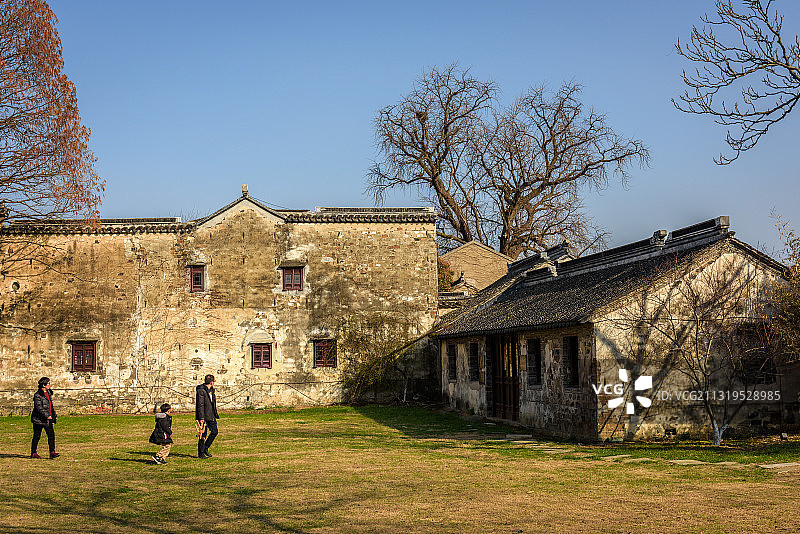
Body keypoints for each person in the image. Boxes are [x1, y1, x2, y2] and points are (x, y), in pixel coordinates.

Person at [30, 377, 59, 459]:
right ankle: (33, 452)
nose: (49, 385)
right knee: (37, 436)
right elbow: (39, 407)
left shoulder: (49, 393)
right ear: (43, 385)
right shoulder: (37, 395)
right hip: (38, 419)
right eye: (48, 383)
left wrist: (54, 415)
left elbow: (50, 406)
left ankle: (52, 452)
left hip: (48, 419)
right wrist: (47, 415)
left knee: (51, 435)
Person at [195, 374, 219, 458]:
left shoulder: (211, 390)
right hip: (204, 416)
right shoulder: (201, 391)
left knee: (214, 432)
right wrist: (201, 418)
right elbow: (200, 405)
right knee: (202, 435)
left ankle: (205, 448)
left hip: (211, 415)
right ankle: (200, 453)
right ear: (212, 382)